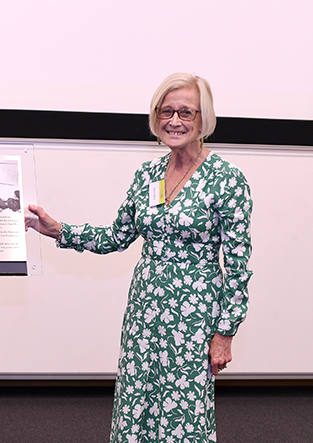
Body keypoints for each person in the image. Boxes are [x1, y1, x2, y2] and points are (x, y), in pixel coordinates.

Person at [26, 73, 252, 442]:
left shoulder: (227, 179)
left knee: (184, 412)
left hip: (193, 317)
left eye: (186, 112)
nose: (174, 121)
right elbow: (117, 236)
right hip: (144, 312)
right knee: (138, 401)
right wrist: (58, 230)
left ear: (203, 119)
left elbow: (239, 266)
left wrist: (225, 332)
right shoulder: (149, 174)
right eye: (166, 111)